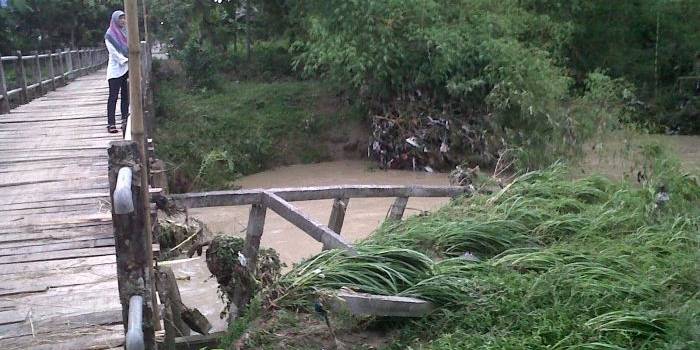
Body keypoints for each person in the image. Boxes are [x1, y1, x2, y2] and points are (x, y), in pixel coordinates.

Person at [105, 10, 129, 133]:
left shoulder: (126, 32)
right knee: (113, 97)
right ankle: (111, 124)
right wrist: (125, 60)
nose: (123, 21)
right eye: (120, 18)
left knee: (126, 95)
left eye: (124, 18)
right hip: (115, 69)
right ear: (115, 20)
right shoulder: (109, 35)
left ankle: (125, 120)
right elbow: (113, 53)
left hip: (127, 69)